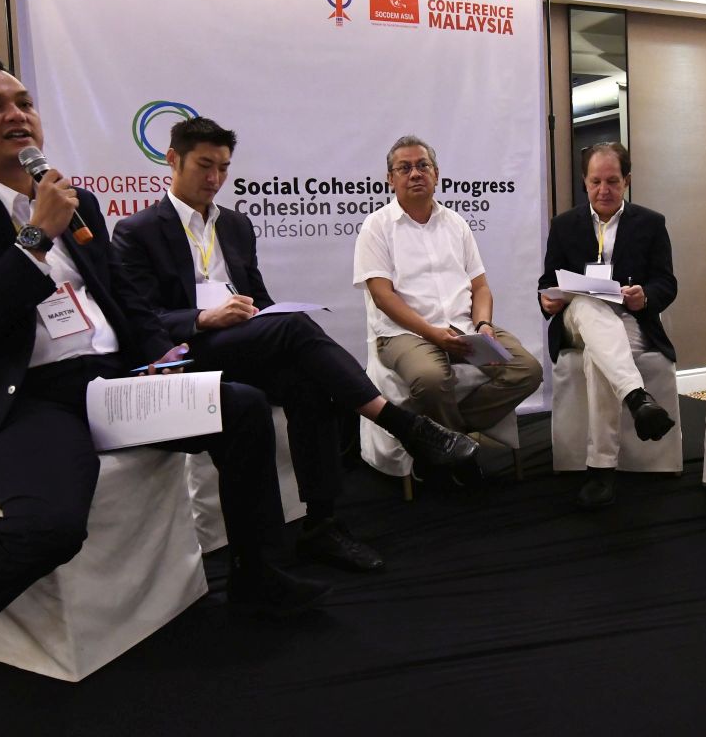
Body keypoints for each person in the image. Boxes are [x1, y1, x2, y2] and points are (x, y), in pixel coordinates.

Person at [0, 59, 326, 675]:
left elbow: (124, 299)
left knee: (242, 407)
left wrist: (166, 357)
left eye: (23, 102)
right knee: (51, 526)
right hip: (25, 396)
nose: (16, 115)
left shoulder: (78, 201)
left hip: (109, 384)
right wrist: (36, 235)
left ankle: (259, 579)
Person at [112, 118, 477, 571]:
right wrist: (204, 318)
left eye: (223, 168)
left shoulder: (236, 226)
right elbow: (141, 320)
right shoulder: (137, 231)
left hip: (243, 343)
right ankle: (404, 425)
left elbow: (259, 298)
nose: (215, 178)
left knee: (310, 382)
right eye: (205, 166)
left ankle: (322, 524)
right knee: (295, 329)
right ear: (172, 160)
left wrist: (261, 313)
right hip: (188, 352)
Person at [354, 135, 543, 481]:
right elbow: (383, 297)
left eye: (422, 165)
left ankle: (445, 439)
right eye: (404, 168)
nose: (415, 174)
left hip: (464, 326)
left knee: (527, 370)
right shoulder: (376, 227)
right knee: (430, 379)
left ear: (436, 174)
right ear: (390, 179)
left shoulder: (456, 224)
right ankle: (458, 455)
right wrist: (432, 335)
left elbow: (480, 287)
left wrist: (483, 325)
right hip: (406, 333)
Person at [539, 142, 678, 509]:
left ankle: (601, 469)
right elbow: (547, 281)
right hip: (576, 319)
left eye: (613, 181)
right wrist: (547, 299)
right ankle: (636, 397)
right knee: (587, 303)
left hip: (628, 319)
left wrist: (644, 297)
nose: (604, 190)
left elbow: (666, 283)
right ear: (584, 182)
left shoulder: (651, 223)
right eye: (596, 182)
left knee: (597, 358)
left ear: (627, 180)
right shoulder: (564, 225)